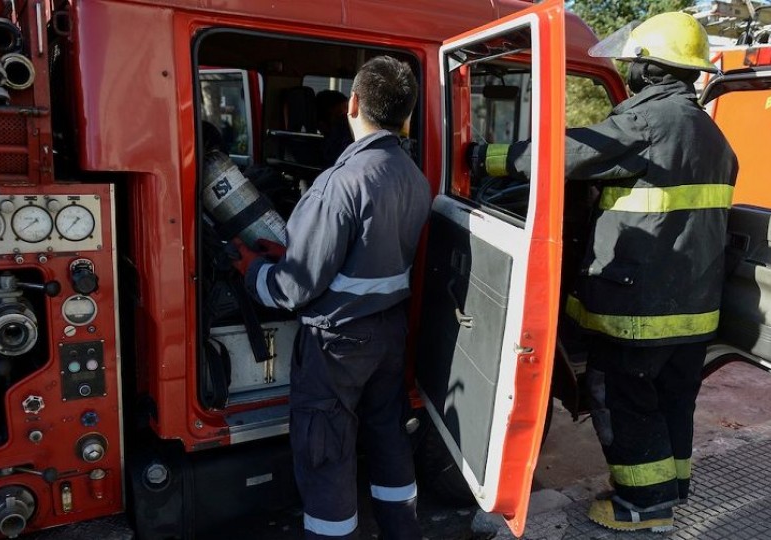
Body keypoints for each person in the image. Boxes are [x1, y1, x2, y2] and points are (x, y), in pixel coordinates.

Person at [468, 12, 738, 533]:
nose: (630, 73)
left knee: (621, 398)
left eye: (634, 64)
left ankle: (643, 506)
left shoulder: (648, 121)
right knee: (672, 400)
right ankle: (671, 488)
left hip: (641, 312)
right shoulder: (711, 134)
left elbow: (561, 156)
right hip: (695, 310)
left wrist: (482, 156)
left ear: (650, 69)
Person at [231, 55, 430, 540]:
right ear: (406, 114)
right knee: (387, 434)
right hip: (389, 332)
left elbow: (293, 289)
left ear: (353, 103)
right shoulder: (414, 176)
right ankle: (402, 531)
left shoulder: (339, 184)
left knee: (327, 448)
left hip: (338, 344)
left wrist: (251, 268)